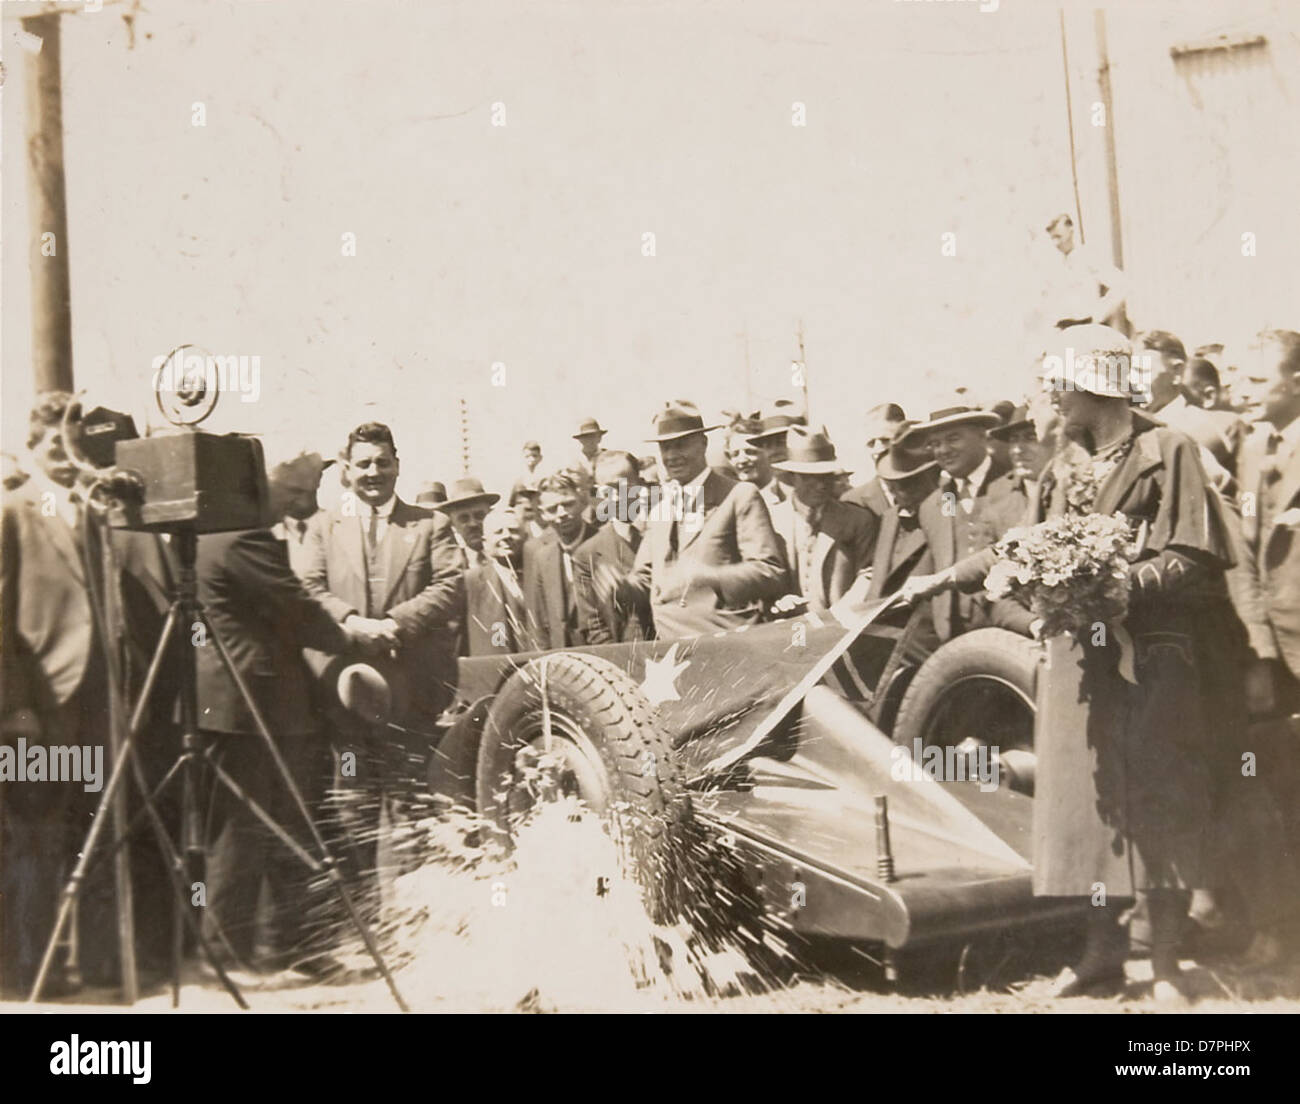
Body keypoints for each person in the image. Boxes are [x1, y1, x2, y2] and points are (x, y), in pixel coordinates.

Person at [908, 325, 1242, 1002]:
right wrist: (947, 578)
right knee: (1087, 812)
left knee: (1162, 800)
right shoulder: (1063, 466)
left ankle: (1168, 965)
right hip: (1076, 661)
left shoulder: (1167, 449)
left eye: (1058, 384)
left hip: (1152, 656)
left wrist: (1127, 587)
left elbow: (1197, 552)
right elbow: (1027, 546)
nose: (1050, 398)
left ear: (1093, 384)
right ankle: (1100, 957)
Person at [1, 394, 172, 995]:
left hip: (98, 702)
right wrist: (15, 708)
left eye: (73, 447)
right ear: (34, 444)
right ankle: (31, 971)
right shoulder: (12, 511)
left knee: (99, 829)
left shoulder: (94, 513)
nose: (65, 458)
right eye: (53, 446)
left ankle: (100, 964)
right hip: (38, 708)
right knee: (35, 834)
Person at [194, 477, 365, 974]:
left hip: (236, 707)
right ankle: (243, 953)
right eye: (293, 489)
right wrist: (352, 637)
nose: (300, 499)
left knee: (250, 829)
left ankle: (278, 947)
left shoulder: (206, 536)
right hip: (259, 706)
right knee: (262, 829)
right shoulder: (246, 538)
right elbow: (297, 608)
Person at [302, 422, 463, 883]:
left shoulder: (431, 525)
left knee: (407, 800)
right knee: (351, 797)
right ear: (348, 470)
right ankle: (364, 911)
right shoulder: (323, 528)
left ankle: (407, 916)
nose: (374, 472)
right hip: (346, 697)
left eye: (383, 462)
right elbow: (309, 588)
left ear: (398, 465)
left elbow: (450, 585)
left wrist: (394, 624)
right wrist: (353, 623)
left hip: (412, 693)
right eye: (364, 463)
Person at [628, 401, 788, 639]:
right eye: (665, 448)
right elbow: (645, 579)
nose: (671, 456)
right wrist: (618, 586)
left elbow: (770, 572)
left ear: (703, 444)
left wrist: (711, 576)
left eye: (680, 445)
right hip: (671, 652)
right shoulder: (660, 509)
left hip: (726, 644)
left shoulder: (739, 495)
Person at [898, 405, 1025, 642]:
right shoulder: (932, 505)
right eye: (935, 443)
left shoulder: (1016, 486)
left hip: (1013, 632)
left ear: (981, 435)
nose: (943, 450)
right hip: (953, 640)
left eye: (953, 439)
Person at [766, 426, 876, 616]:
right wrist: (780, 600)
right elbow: (762, 575)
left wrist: (843, 612)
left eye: (826, 476)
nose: (820, 485)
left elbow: (870, 572)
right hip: (787, 629)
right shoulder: (771, 520)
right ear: (793, 477)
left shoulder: (857, 519)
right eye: (810, 478)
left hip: (844, 627)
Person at [573, 451, 654, 644]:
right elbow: (593, 625)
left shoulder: (667, 533)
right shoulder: (587, 554)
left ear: (641, 484)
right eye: (609, 489)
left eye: (624, 487)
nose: (617, 497)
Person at [521, 469, 599, 650]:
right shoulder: (542, 558)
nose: (561, 513)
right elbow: (538, 623)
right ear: (542, 514)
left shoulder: (603, 545)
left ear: (581, 502)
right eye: (552, 509)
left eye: (568, 504)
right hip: (562, 661)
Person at [864, 429, 940, 602]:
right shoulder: (890, 517)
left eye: (906, 485)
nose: (897, 493)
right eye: (893, 486)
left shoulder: (948, 504)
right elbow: (877, 581)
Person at [460, 506, 532, 656]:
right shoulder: (470, 582)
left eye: (513, 530)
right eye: (498, 532)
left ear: (526, 536)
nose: (506, 536)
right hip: (495, 668)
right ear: (485, 542)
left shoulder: (540, 573)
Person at [1043, 212, 1128, 330]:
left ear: (1071, 230)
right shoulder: (1054, 266)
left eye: (1059, 236)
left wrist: (1099, 314)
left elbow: (1121, 284)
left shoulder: (1088, 256)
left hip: (1086, 327)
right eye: (1052, 238)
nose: (1056, 243)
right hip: (1065, 331)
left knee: (1085, 348)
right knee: (1067, 349)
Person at [268, 450, 333, 578]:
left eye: (301, 490)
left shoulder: (337, 528)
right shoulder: (268, 533)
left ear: (318, 478)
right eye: (288, 488)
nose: (294, 497)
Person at [842, 403, 907, 520]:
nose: (877, 449)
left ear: (904, 439)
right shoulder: (851, 501)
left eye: (885, 440)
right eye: (871, 443)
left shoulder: (941, 492)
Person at [745, 400, 806, 508]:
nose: (773, 451)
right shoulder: (759, 501)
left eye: (781, 441)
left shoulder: (830, 495)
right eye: (767, 444)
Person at [436, 476, 500, 569]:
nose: (473, 524)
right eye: (463, 518)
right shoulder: (449, 566)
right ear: (452, 523)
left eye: (479, 516)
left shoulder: (509, 557)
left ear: (491, 515)